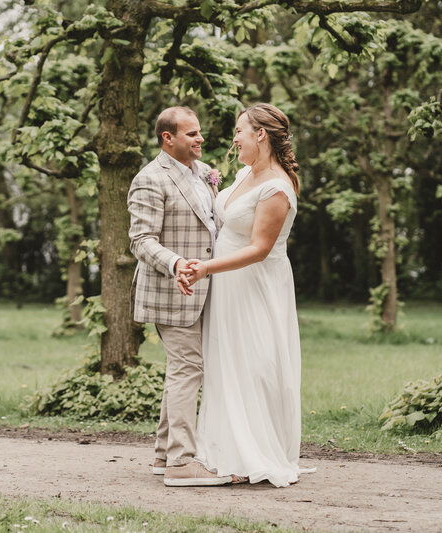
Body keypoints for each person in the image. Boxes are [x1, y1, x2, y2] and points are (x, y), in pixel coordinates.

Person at [180, 103, 312, 487]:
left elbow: (259, 248)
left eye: (240, 131)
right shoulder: (243, 174)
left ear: (260, 135)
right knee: (227, 360)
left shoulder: (277, 187)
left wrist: (205, 268)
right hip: (228, 283)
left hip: (256, 284)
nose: (234, 137)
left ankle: (255, 452)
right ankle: (225, 449)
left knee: (255, 364)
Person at [127, 106, 232, 487]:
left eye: (199, 132)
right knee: (189, 369)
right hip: (171, 291)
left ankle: (162, 456)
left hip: (206, 289)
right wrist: (176, 265)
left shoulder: (205, 174)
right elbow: (141, 240)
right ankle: (182, 464)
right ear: (167, 138)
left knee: (183, 371)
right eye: (191, 134)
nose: (200, 138)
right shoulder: (149, 179)